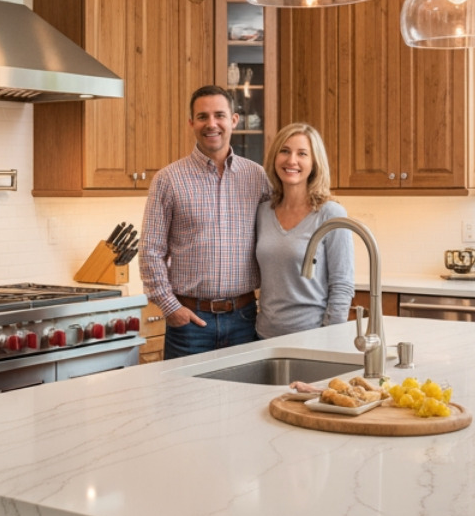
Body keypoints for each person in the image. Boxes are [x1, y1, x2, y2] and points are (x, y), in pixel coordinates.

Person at [141, 85, 271, 358]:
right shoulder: (168, 180)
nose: (211, 124)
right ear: (191, 123)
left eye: (219, 115)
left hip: (245, 320)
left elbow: (278, 236)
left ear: (234, 120)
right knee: (183, 389)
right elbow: (150, 251)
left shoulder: (257, 177)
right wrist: (171, 308)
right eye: (202, 117)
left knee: (243, 388)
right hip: (189, 324)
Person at [254, 122, 355, 338]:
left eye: (302, 153)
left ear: (314, 163)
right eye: (284, 151)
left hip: (311, 337)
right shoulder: (263, 211)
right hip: (263, 336)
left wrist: (330, 338)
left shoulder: (330, 214)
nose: (292, 160)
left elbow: (342, 285)